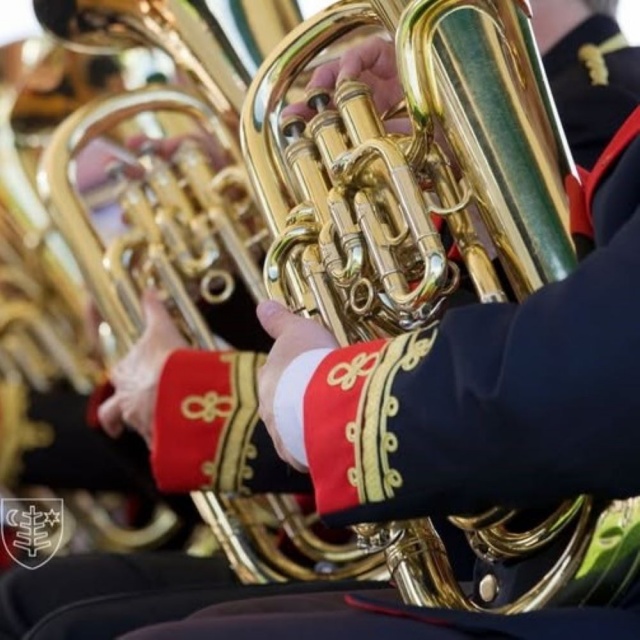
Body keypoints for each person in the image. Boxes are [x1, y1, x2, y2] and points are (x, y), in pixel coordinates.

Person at [4, 1, 640, 638]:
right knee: (49, 606)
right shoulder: (564, 101)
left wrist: (217, 397)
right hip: (479, 529)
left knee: (64, 621)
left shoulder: (597, 97)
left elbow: (576, 370)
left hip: (521, 548)